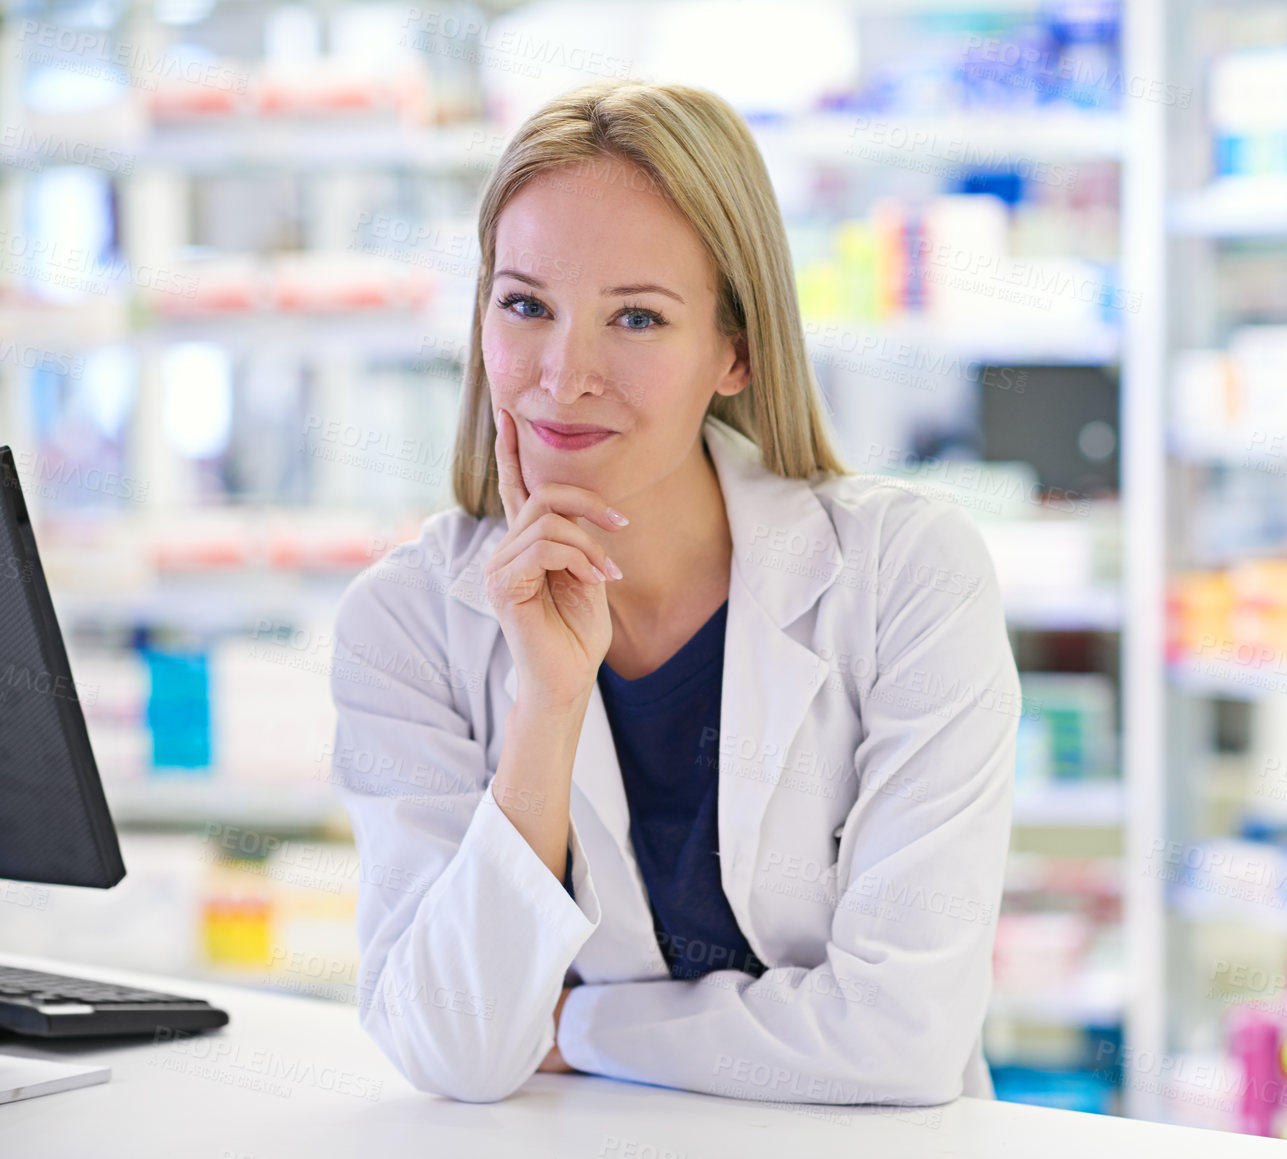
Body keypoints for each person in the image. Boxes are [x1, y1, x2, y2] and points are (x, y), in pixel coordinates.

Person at [328, 80, 1021, 1106]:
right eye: (526, 304)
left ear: (735, 349)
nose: (565, 376)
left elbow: (904, 1038)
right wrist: (547, 709)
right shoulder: (406, 624)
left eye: (638, 317)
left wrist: (574, 1021)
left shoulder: (905, 577)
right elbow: (455, 1048)